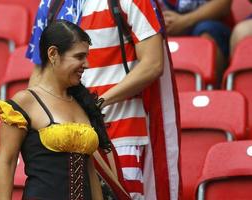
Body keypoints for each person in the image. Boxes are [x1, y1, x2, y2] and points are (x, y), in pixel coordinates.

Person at [26, 1, 182, 200]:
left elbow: (153, 63)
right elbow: (41, 70)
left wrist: (96, 104)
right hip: (66, 139)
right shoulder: (50, 3)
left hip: (120, 134)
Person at [0, 19, 112, 200]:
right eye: (79, 56)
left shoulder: (82, 103)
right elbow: (6, 163)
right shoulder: (25, 102)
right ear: (53, 54)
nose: (86, 64)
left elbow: (90, 171)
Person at [158, 0, 232, 87]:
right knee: (151, 39)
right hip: (165, 29)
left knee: (206, 32)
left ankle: (209, 91)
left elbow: (223, 4)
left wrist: (183, 21)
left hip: (211, 26)